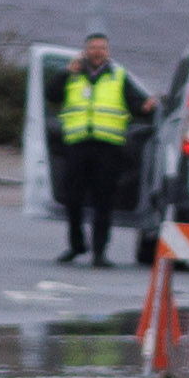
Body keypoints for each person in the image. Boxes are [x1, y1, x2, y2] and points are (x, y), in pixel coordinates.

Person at [50, 31, 146, 266]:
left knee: (103, 201)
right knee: (73, 199)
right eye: (93, 48)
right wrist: (65, 73)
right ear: (85, 51)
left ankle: (99, 252)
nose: (97, 52)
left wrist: (148, 106)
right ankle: (76, 245)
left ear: (108, 52)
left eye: (102, 48)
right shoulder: (72, 75)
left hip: (107, 148)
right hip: (77, 145)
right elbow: (51, 94)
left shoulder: (118, 76)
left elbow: (136, 105)